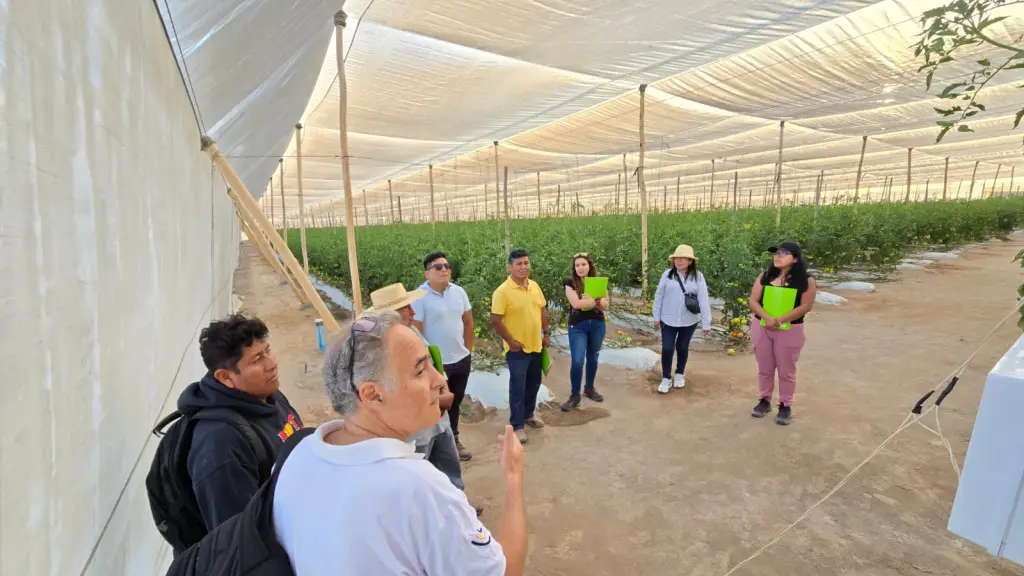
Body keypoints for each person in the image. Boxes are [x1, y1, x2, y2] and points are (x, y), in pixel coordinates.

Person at [272, 309, 528, 575]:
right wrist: (513, 478)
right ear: (372, 395)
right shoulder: (418, 488)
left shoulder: (296, 454)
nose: (440, 380)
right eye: (420, 371)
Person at [177, 314, 303, 531]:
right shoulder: (220, 444)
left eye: (267, 351)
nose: (272, 364)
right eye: (256, 360)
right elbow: (240, 539)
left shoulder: (267, 394)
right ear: (225, 377)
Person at [365, 283, 472, 507]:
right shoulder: (383, 350)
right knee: (422, 474)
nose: (413, 312)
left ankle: (459, 506)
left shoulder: (411, 333)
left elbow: (432, 368)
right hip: (417, 426)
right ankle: (434, 517)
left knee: (448, 466)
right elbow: (400, 391)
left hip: (437, 419)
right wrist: (439, 398)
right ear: (391, 315)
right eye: (407, 308)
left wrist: (442, 391)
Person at [412, 251, 475, 461]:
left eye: (447, 266)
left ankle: (453, 439)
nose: (444, 270)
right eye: (438, 267)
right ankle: (432, 446)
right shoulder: (419, 297)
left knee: (454, 402)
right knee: (434, 405)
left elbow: (468, 321)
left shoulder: (458, 292)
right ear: (427, 273)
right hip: (436, 365)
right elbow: (416, 333)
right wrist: (426, 365)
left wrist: (468, 349)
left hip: (460, 359)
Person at [748, 241, 816, 426]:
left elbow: (805, 306)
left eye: (783, 253)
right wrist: (767, 318)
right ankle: (764, 400)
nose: (777, 257)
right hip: (762, 326)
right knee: (765, 366)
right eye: (776, 253)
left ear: (794, 258)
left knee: (787, 369)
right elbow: (753, 301)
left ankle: (785, 404)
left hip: (789, 329)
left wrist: (778, 320)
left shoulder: (805, 280)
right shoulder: (765, 276)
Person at [491, 248, 549, 445]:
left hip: (536, 345)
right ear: (510, 267)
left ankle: (528, 415)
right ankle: (517, 426)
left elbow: (543, 310)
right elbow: (496, 320)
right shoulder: (502, 292)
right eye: (519, 264)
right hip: (517, 349)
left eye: (526, 263)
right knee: (518, 387)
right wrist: (510, 341)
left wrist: (546, 332)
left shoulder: (534, 286)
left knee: (534, 383)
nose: (524, 267)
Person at [652, 244, 712, 394]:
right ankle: (666, 377)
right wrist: (656, 316)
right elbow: (659, 296)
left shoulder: (698, 277)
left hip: (689, 320)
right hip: (668, 318)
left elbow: (703, 299)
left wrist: (706, 323)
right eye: (676, 258)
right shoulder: (667, 275)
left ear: (690, 261)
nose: (679, 261)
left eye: (682, 258)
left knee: (682, 347)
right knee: (667, 348)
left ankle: (679, 374)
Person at [561, 252, 609, 411]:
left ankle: (589, 388)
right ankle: (575, 395)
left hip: (597, 324)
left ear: (589, 266)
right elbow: (576, 303)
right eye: (577, 265)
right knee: (578, 360)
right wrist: (596, 301)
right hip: (578, 326)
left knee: (593, 358)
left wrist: (597, 302)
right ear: (574, 268)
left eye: (583, 264)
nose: (580, 268)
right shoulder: (569, 283)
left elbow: (606, 305)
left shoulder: (598, 282)